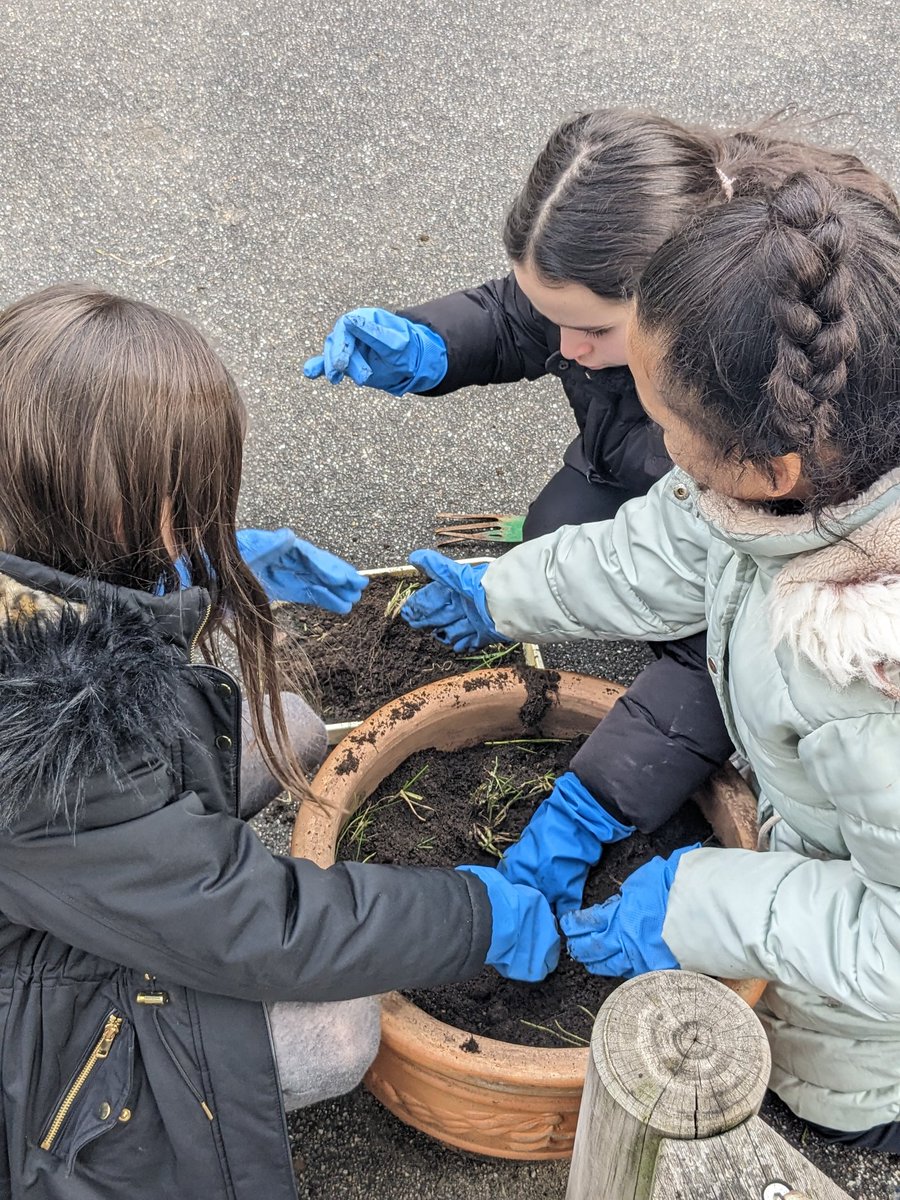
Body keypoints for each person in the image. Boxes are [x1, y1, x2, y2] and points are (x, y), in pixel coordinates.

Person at [0, 283, 558, 1200]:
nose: (212, 516)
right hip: (30, 1018)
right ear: (113, 519)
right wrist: (477, 914)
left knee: (291, 726)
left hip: (47, 882)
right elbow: (255, 924)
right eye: (193, 503)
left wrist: (194, 574)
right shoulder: (56, 754)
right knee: (338, 1031)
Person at [399, 171, 900, 1148]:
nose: (655, 443)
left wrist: (699, 903)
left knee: (821, 1094)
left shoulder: (865, 685)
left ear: (772, 471)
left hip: (873, 1019)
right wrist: (503, 593)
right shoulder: (807, 478)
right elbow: (672, 549)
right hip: (831, 833)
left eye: (668, 429)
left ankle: (855, 1117)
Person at [304, 108, 898, 894]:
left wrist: (613, 809)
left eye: (586, 330)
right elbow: (676, 531)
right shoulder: (738, 404)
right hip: (663, 475)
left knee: (706, 660)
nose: (562, 347)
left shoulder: (843, 664)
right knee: (556, 531)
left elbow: (722, 628)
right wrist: (432, 347)